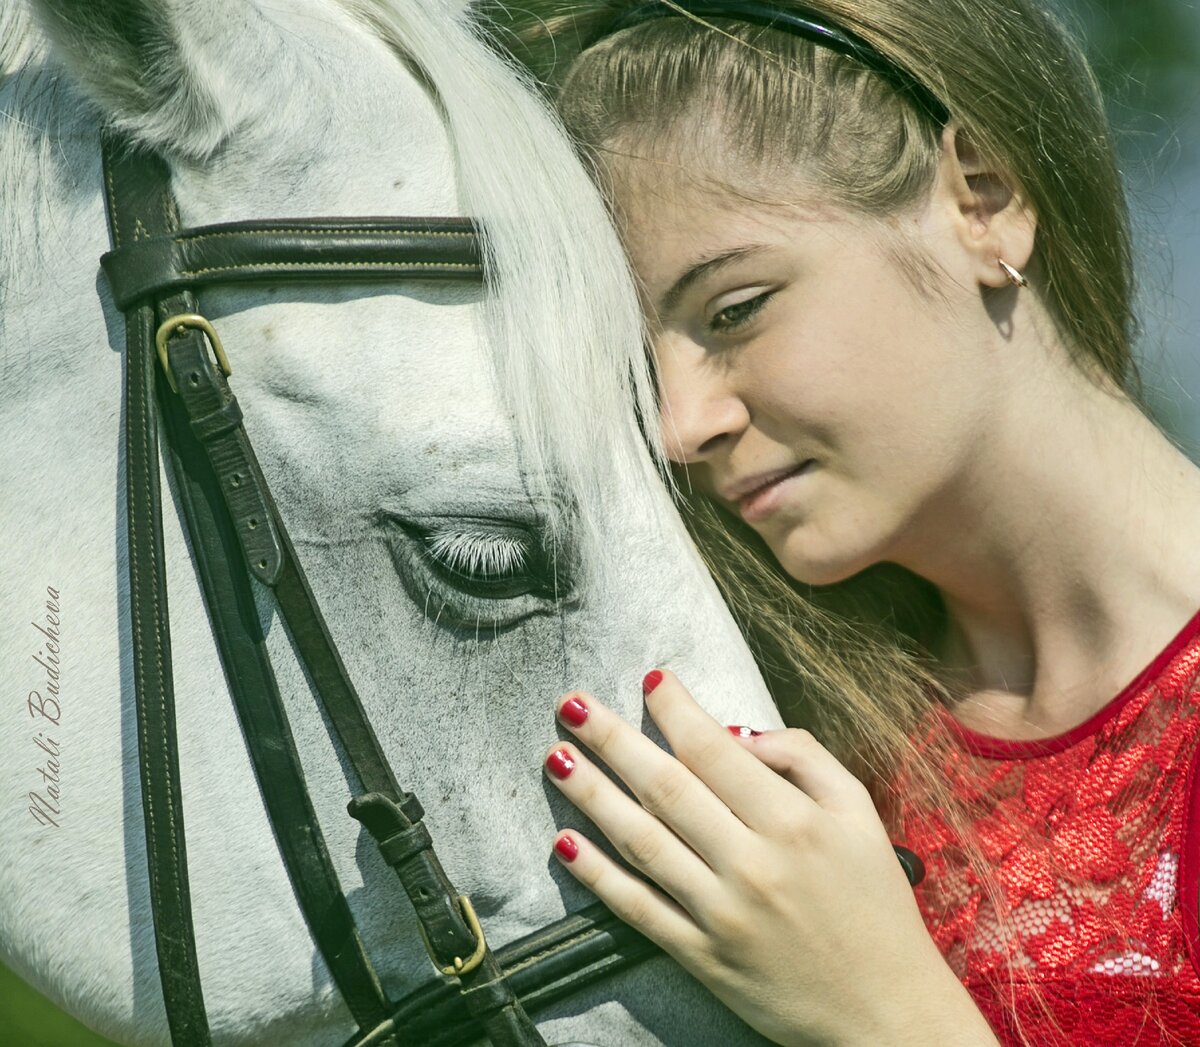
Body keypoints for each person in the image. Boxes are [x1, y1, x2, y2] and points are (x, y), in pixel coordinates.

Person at [486, 0, 1200, 1043]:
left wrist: (882, 1015)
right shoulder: (758, 714)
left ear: (982, 202)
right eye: (641, 373)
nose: (682, 425)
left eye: (734, 310)